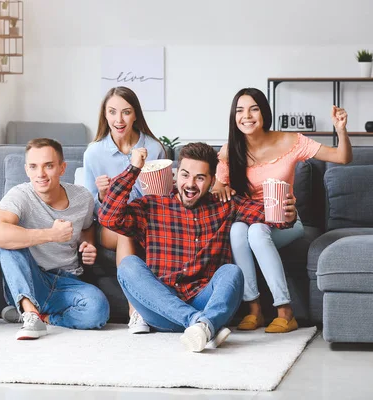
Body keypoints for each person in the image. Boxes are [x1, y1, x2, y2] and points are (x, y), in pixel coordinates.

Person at [98, 142, 299, 352]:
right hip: (161, 309)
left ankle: (202, 323)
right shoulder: (153, 206)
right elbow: (109, 217)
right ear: (176, 176)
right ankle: (201, 324)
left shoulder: (226, 205)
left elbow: (273, 216)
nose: (191, 184)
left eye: (200, 178)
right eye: (185, 175)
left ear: (212, 180)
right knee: (128, 266)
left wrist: (288, 214)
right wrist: (133, 170)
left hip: (206, 301)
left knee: (231, 272)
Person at [212, 87, 352, 333]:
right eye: (240, 110)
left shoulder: (291, 141)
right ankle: (253, 308)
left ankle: (285, 311)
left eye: (254, 109)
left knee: (256, 232)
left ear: (264, 112)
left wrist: (340, 129)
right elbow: (217, 188)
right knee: (237, 230)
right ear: (234, 117)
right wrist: (220, 187)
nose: (247, 116)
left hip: (286, 221)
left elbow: (342, 157)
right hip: (248, 218)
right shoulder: (230, 150)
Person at [0, 138, 110, 340]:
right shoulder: (20, 195)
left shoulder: (83, 197)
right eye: (34, 167)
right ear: (27, 170)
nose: (40, 174)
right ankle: (29, 313)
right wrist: (50, 235)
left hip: (68, 281)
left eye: (49, 166)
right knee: (7, 243)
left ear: (62, 168)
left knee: (98, 311)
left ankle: (45, 317)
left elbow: (87, 227)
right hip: (30, 279)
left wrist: (87, 244)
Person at [83, 86, 165, 334]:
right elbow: (87, 208)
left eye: (126, 112)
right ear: (105, 115)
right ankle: (135, 311)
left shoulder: (153, 147)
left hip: (146, 222)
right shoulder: (94, 152)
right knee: (124, 231)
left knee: (136, 229)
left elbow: (161, 199)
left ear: (135, 115)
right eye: (112, 112)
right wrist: (102, 195)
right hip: (111, 225)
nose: (119, 120)